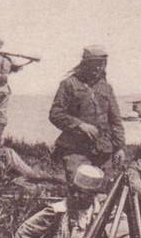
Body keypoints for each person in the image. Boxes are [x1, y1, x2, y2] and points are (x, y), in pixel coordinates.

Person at [48, 45, 126, 184]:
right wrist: (80, 125)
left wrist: (119, 147)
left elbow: (115, 120)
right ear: (85, 64)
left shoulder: (106, 88)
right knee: (80, 188)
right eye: (94, 65)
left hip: (103, 150)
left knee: (105, 191)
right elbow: (55, 114)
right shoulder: (69, 84)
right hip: (75, 150)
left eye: (101, 65)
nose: (98, 69)